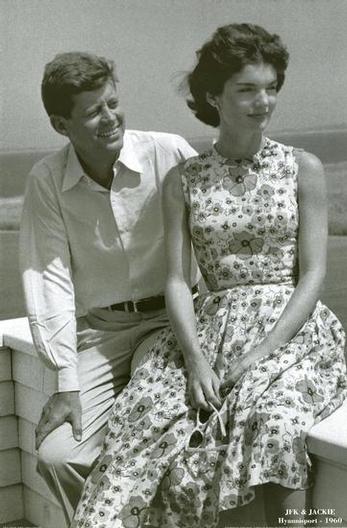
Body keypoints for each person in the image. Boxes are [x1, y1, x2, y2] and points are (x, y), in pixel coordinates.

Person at [71, 24, 346, 528]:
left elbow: (313, 275)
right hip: (209, 327)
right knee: (150, 429)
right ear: (213, 96)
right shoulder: (186, 178)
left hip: (291, 331)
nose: (263, 101)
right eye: (246, 89)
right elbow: (177, 279)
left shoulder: (301, 168)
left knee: (273, 422)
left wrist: (263, 352)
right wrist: (195, 360)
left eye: (271, 87)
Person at [19, 51, 199, 525]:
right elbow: (48, 278)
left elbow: (217, 234)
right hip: (103, 334)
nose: (110, 118)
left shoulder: (169, 153)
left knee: (159, 440)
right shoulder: (47, 180)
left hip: (175, 325)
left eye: (113, 103)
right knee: (58, 457)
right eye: (93, 111)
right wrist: (66, 382)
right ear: (61, 125)